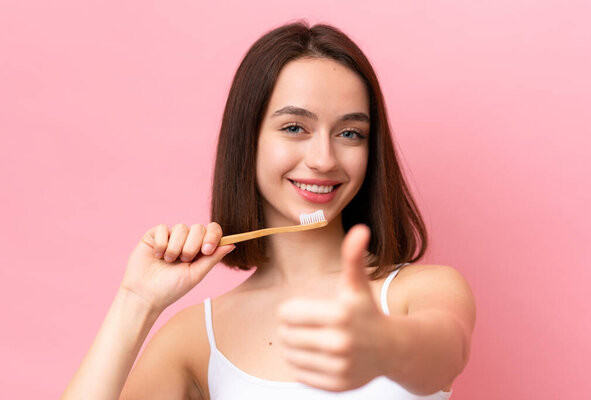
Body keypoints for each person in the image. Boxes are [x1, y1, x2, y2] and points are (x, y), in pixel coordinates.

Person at [62, 21, 476, 400]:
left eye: (350, 133)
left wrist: (386, 347)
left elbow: (445, 352)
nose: (323, 159)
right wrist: (136, 301)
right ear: (249, 141)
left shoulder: (421, 292)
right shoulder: (193, 339)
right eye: (295, 127)